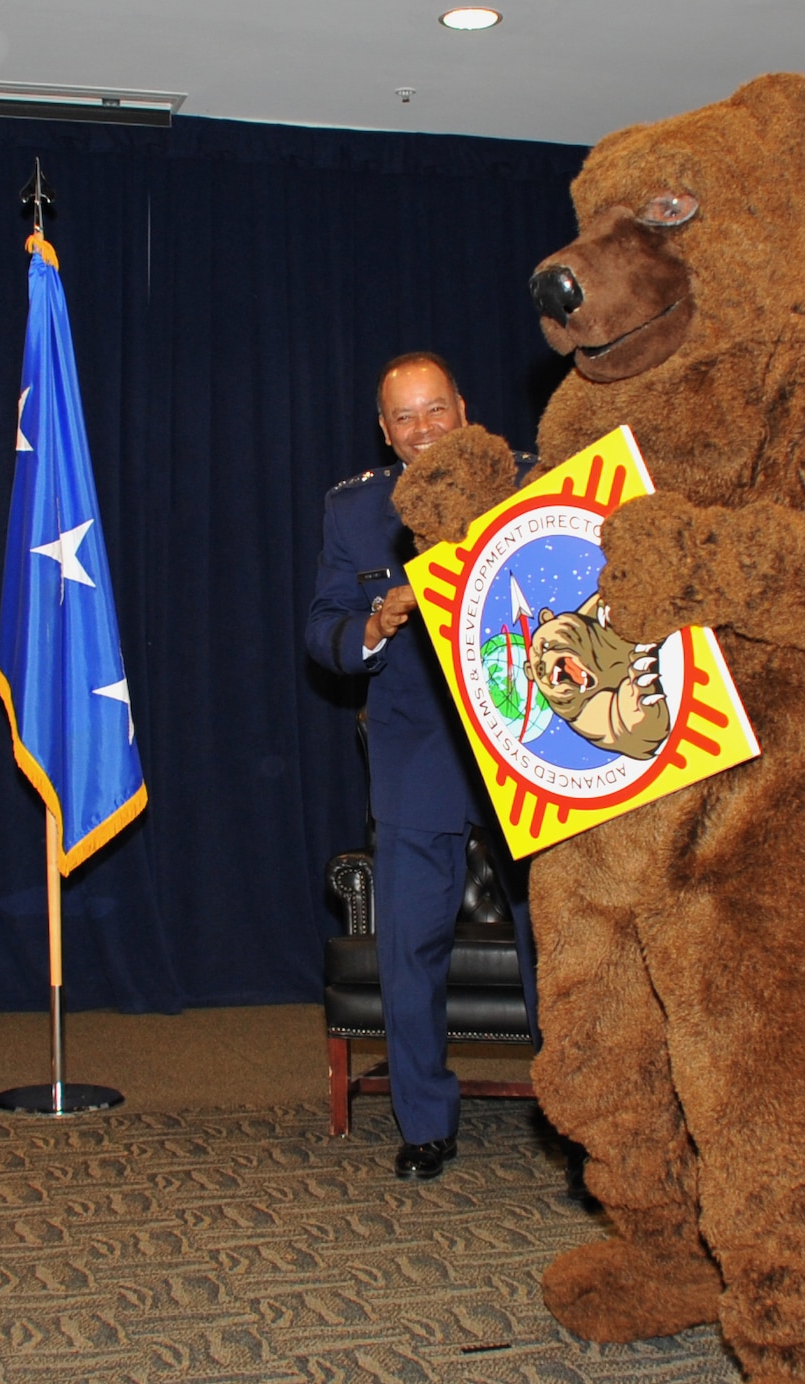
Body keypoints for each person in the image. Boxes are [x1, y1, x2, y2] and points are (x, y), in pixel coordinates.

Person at [305, 352, 539, 1180]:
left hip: (529, 743)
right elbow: (323, 633)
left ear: (463, 407)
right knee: (409, 947)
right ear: (384, 429)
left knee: (554, 938)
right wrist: (377, 622)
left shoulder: (532, 479)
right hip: (417, 747)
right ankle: (426, 1125)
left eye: (435, 409)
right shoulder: (356, 511)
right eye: (405, 418)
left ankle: (585, 1114)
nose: (423, 430)